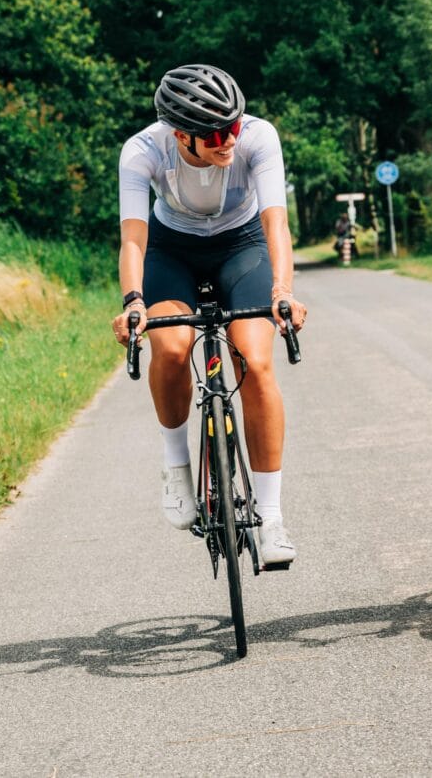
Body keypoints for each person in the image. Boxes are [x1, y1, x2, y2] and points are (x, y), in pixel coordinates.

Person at [113, 64, 307, 569]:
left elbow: (275, 222)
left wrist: (283, 291)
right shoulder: (142, 151)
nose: (229, 140)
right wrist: (134, 301)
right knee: (173, 348)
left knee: (257, 362)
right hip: (170, 251)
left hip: (241, 247)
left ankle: (271, 517)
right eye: (217, 134)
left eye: (234, 127)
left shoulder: (257, 137)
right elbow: (133, 238)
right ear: (181, 135)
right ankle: (177, 464)